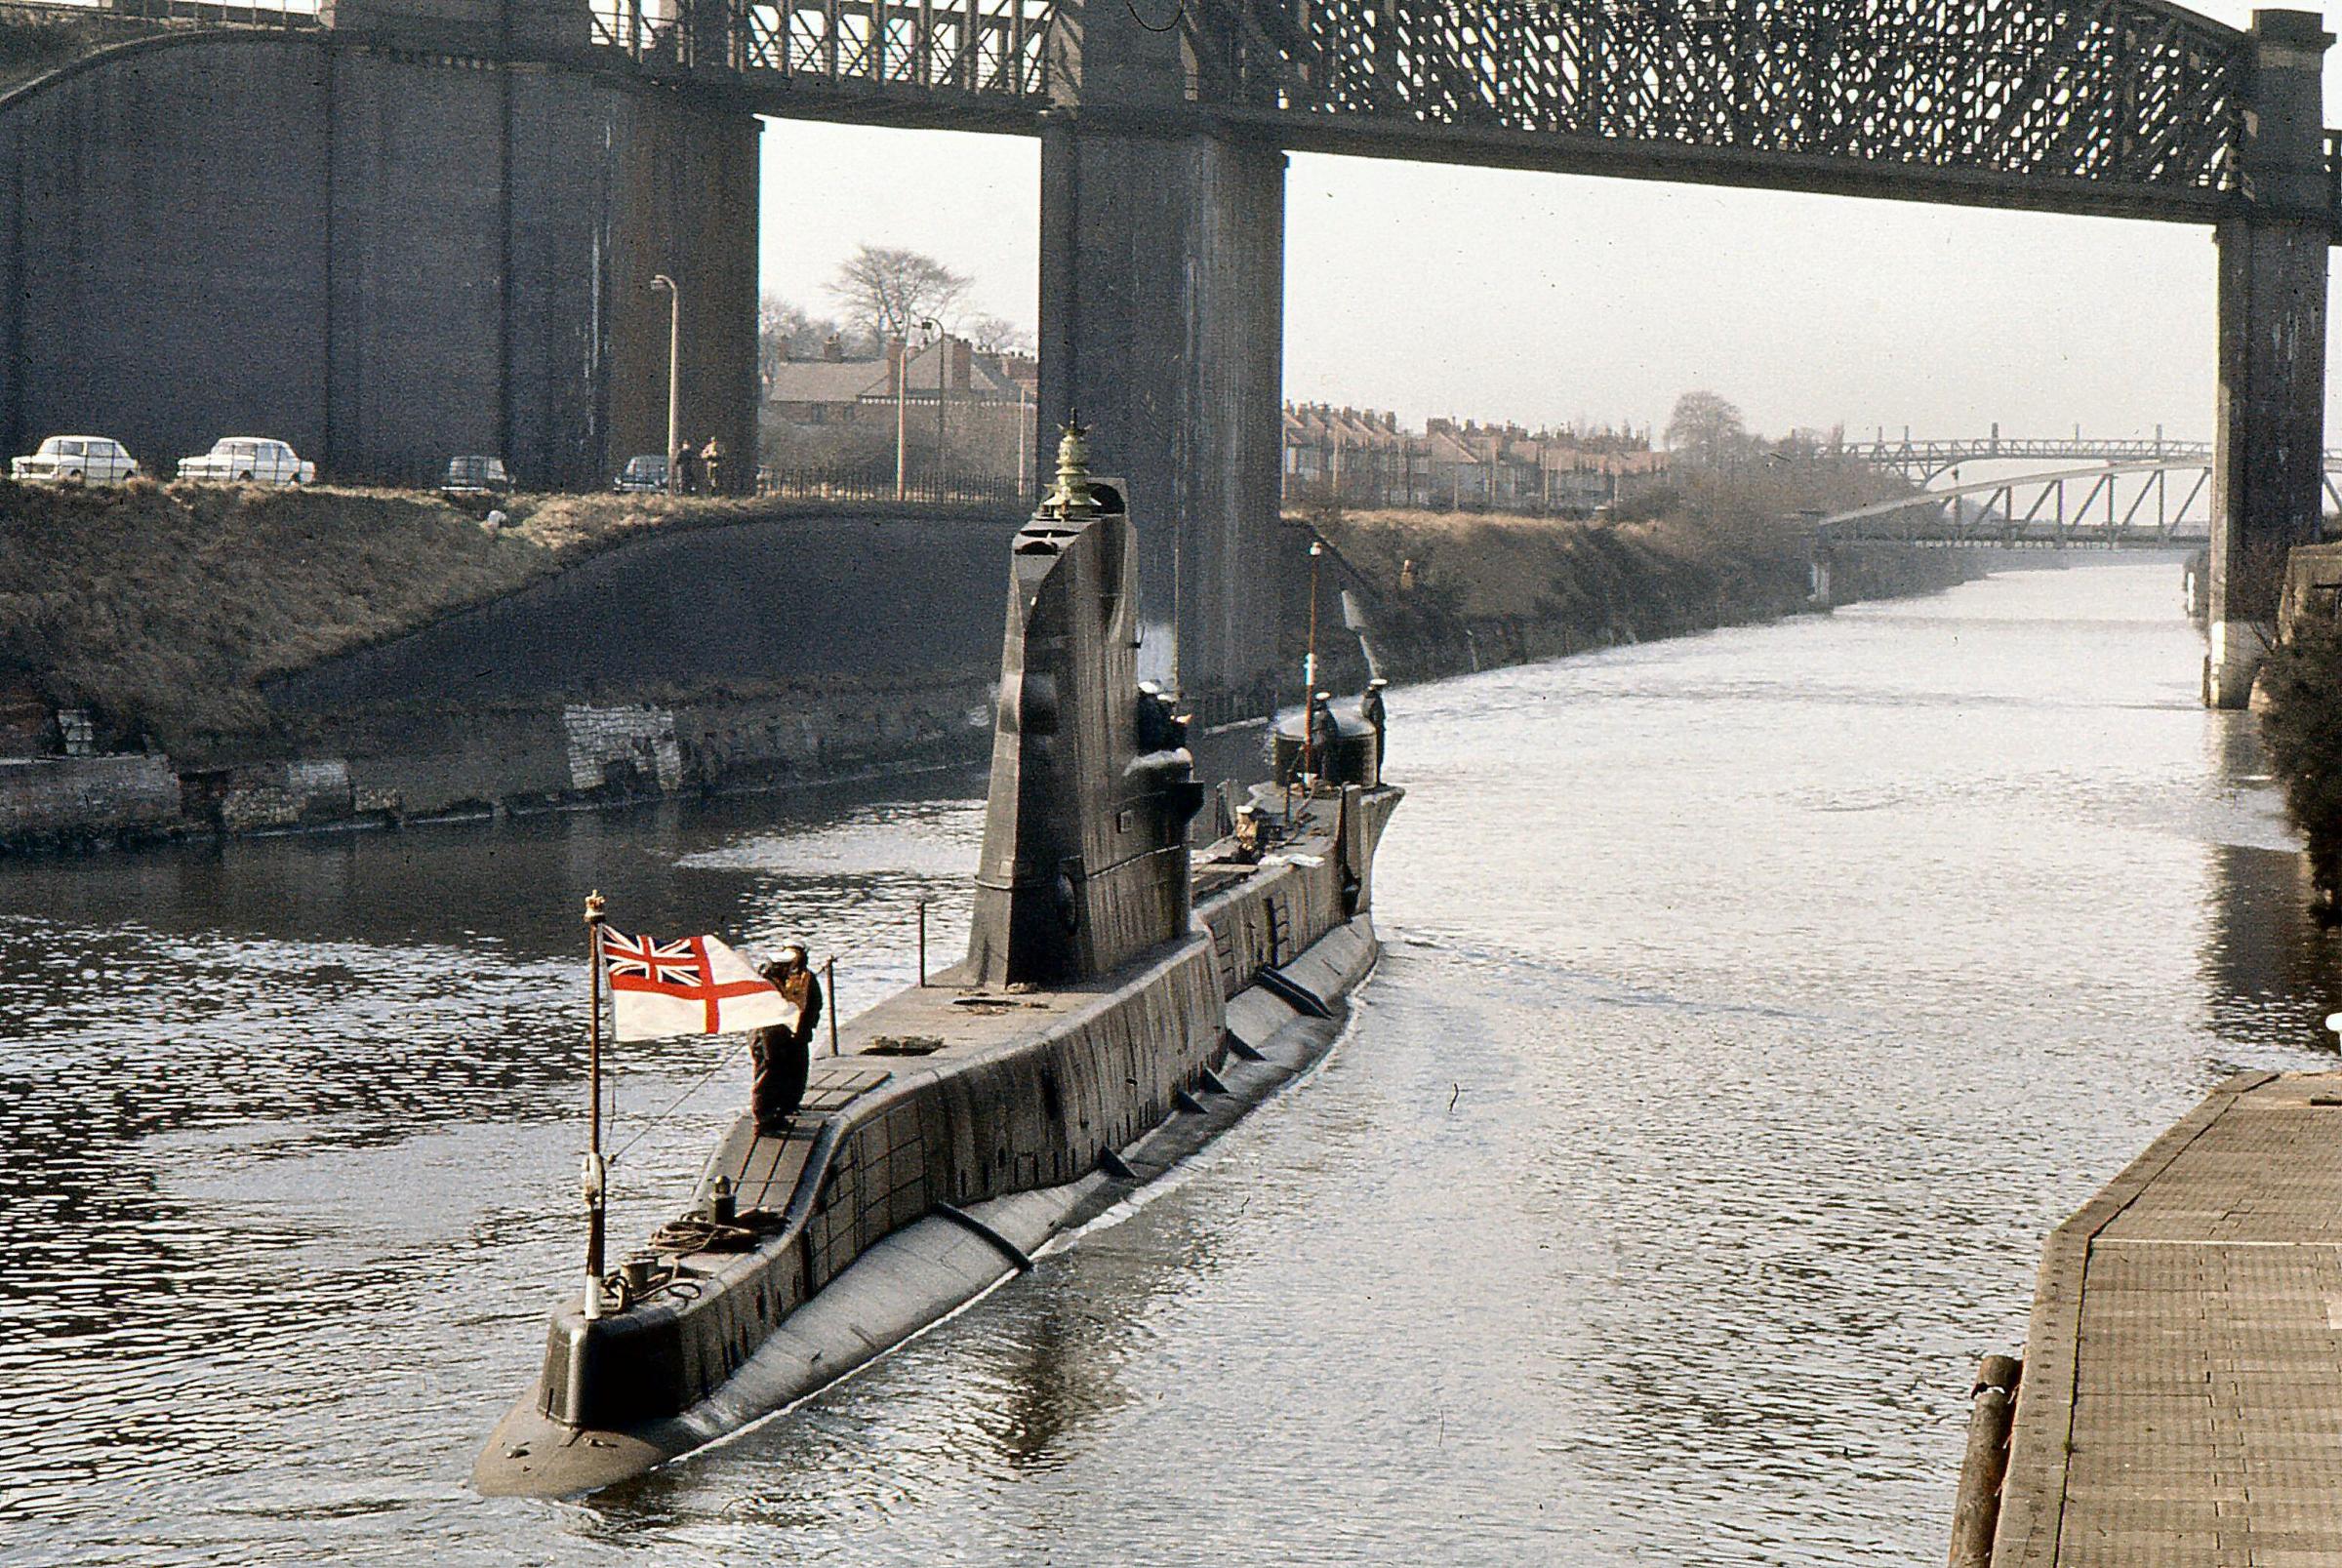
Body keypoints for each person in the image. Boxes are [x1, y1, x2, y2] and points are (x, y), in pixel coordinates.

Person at [749, 945, 823, 1131]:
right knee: (769, 1073)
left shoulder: (805, 978)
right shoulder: (764, 981)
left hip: (794, 1034)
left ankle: (785, 1108)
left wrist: (807, 1027)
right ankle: (765, 1117)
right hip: (768, 1035)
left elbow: (815, 1003)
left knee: (794, 1070)